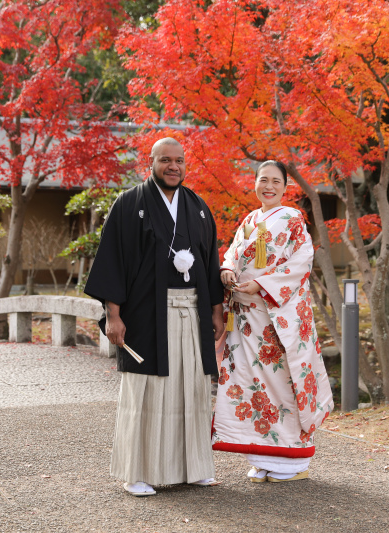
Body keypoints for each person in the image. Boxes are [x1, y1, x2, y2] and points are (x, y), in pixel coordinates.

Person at [84, 137, 225, 497]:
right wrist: (112, 315)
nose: (173, 166)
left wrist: (216, 310)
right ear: (150, 162)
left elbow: (209, 261)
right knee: (147, 391)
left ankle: (193, 468)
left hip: (190, 312)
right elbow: (113, 260)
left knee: (191, 390)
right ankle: (137, 472)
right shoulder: (130, 204)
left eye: (179, 160)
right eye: (165, 160)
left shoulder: (198, 207)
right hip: (147, 314)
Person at [212, 160, 333, 482]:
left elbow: (301, 261)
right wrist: (226, 270)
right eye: (263, 180)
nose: (269, 186)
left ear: (285, 187)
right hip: (246, 318)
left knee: (282, 382)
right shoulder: (250, 219)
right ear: (254, 183)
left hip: (275, 316)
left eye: (276, 182)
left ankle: (291, 460)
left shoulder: (293, 218)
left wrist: (262, 285)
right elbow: (233, 254)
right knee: (251, 385)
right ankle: (263, 455)